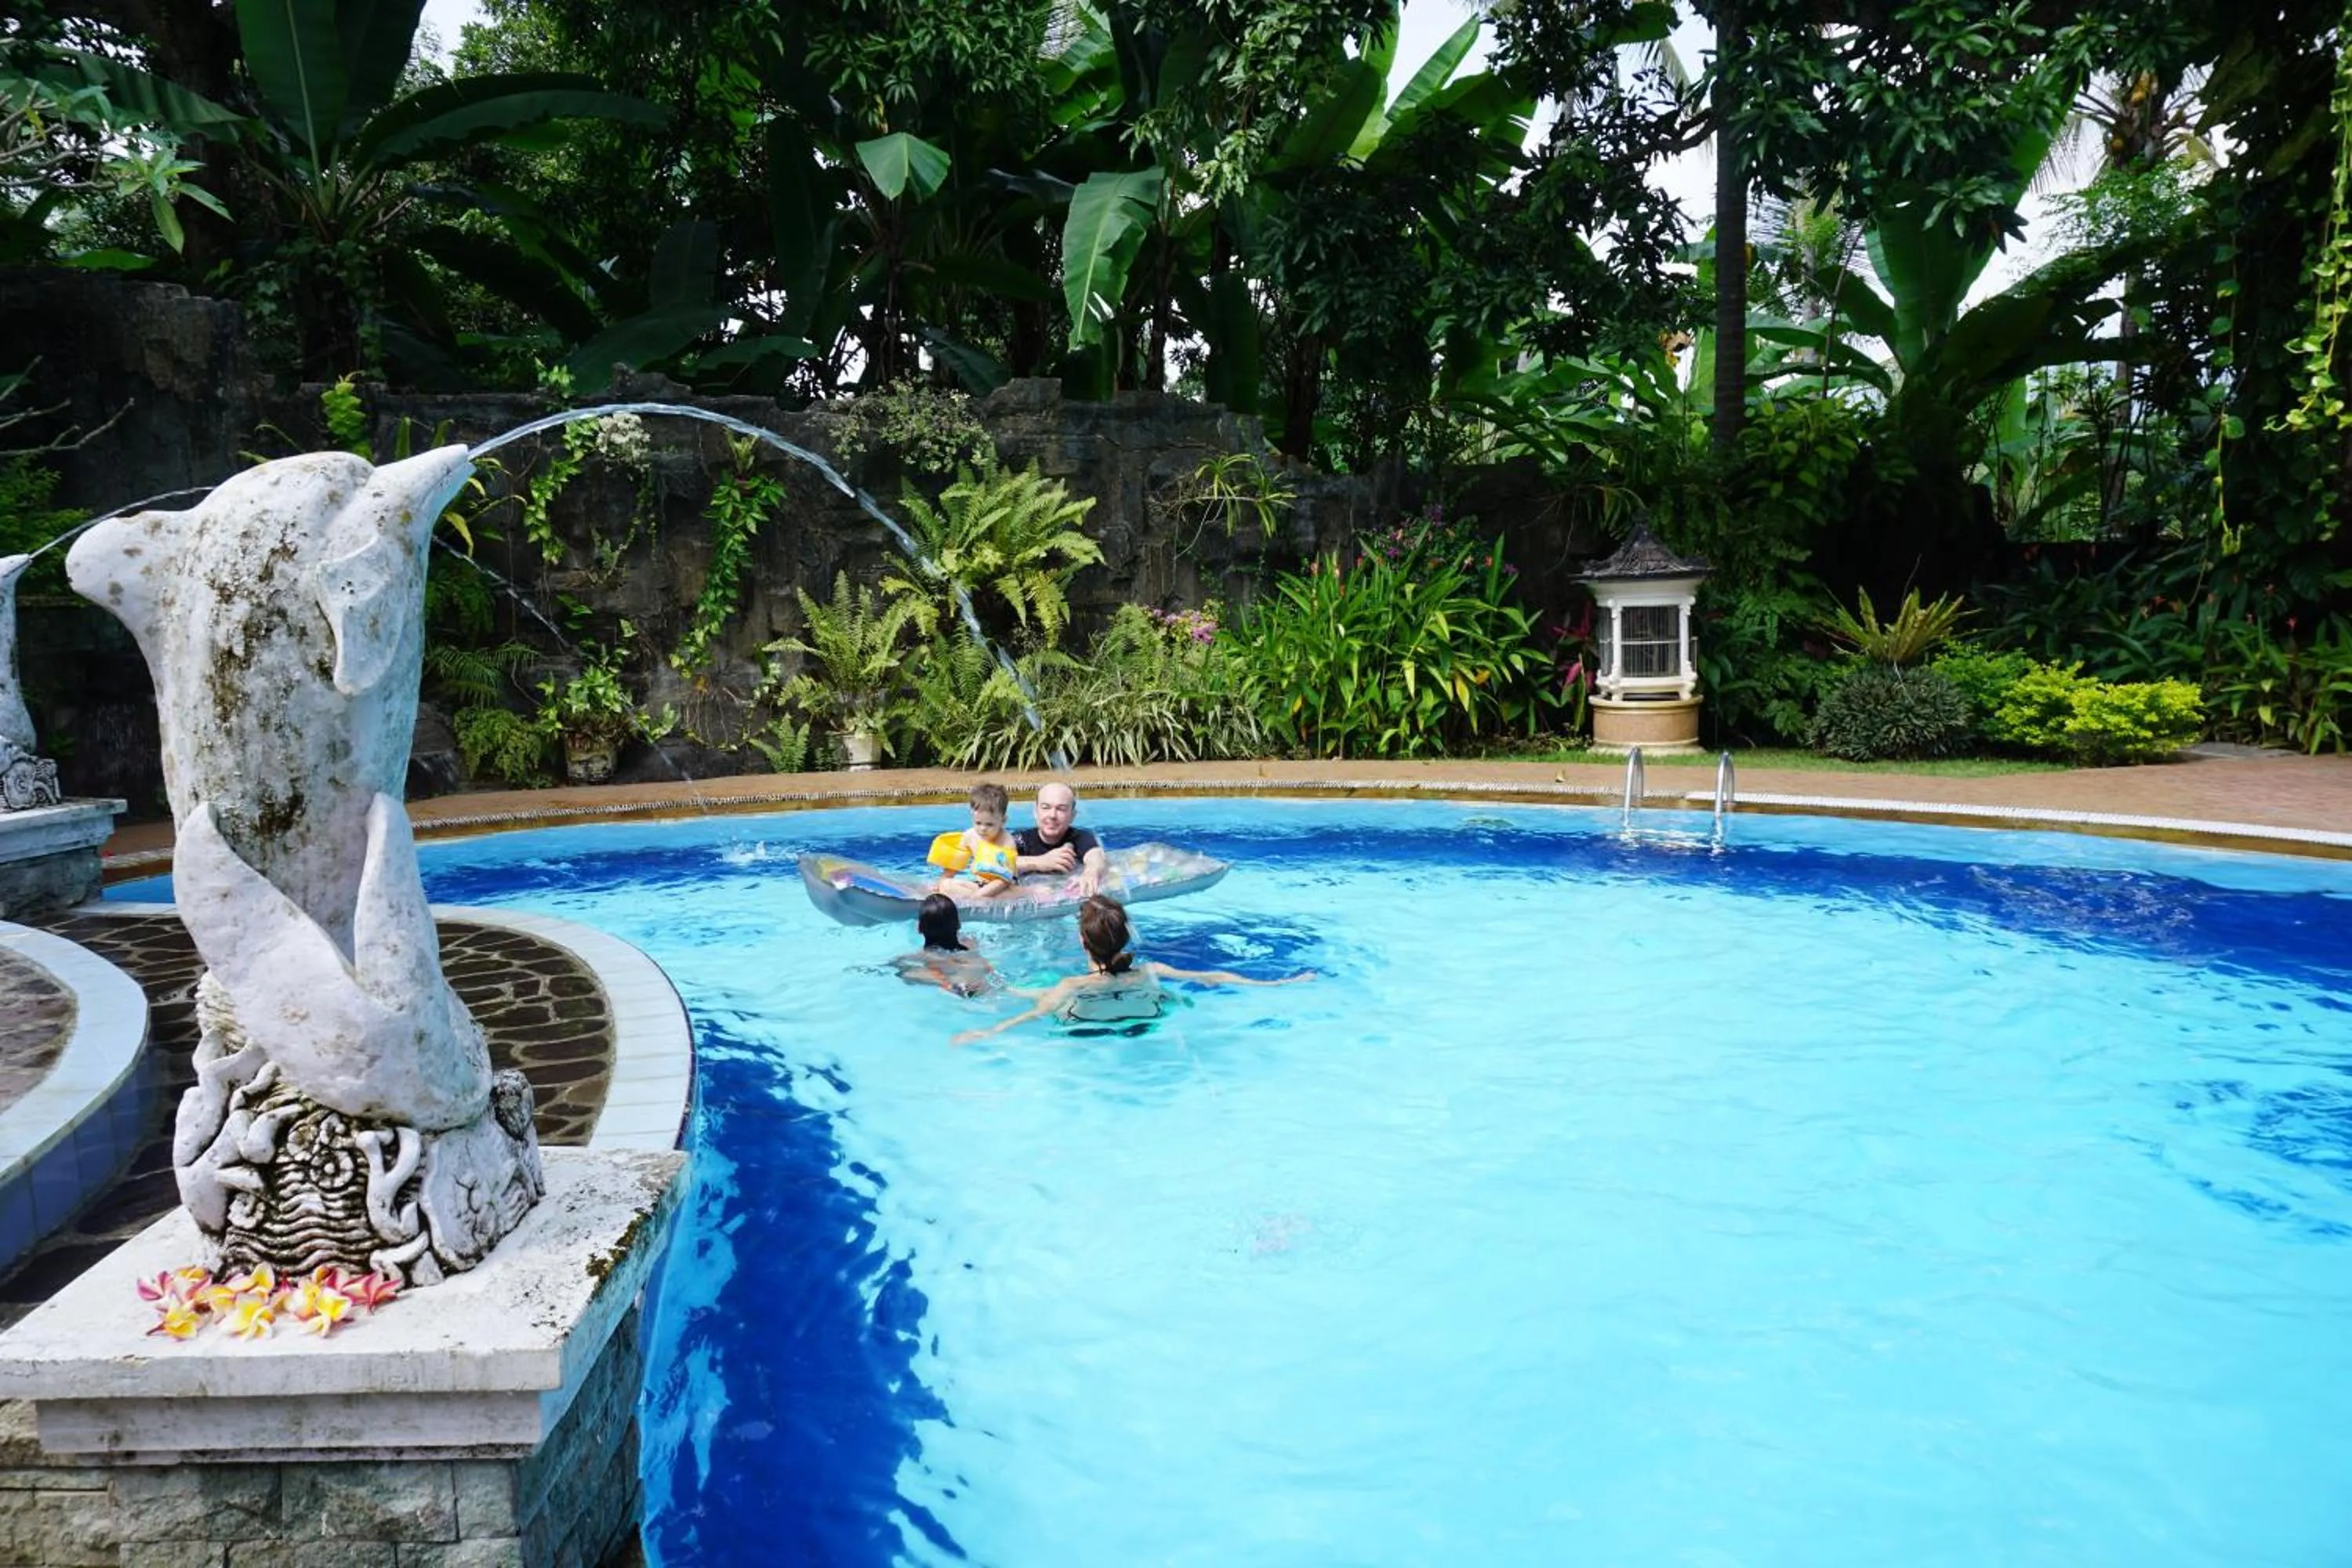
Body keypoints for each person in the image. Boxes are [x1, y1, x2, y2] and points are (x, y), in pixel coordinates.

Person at [951, 895, 1312, 1045]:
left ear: (1082, 942)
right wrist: (1277, 982)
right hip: (1148, 1024)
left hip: (1084, 1034)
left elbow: (1031, 1016)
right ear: (1124, 940)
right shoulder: (1152, 970)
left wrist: (987, 1031)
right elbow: (1212, 978)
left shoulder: (1070, 985)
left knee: (1037, 993)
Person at [1013, 781, 1109, 895]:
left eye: (1061, 809)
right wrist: (1040, 862)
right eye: (1046, 807)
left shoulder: (1079, 838)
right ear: (1035, 812)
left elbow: (1096, 856)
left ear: (1072, 816)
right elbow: (992, 862)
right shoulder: (1020, 840)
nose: (1052, 815)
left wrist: (1091, 872)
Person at [930, 782, 1020, 903]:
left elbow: (1003, 880)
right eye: (978, 823)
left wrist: (977, 898)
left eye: (989, 824)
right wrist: (940, 885)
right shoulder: (969, 836)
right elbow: (953, 867)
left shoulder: (1007, 842)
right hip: (980, 885)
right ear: (972, 816)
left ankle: (1026, 892)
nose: (983, 828)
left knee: (1010, 896)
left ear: (1003, 820)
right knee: (946, 885)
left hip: (1004, 887)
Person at [892, 894, 996, 997]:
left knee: (908, 974)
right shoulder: (971, 944)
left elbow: (898, 970)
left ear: (919, 928)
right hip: (983, 978)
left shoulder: (921, 957)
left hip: (953, 985)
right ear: (959, 925)